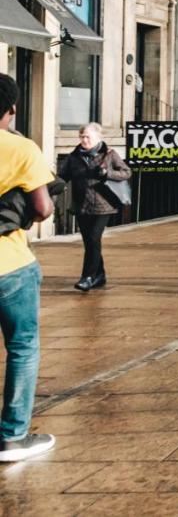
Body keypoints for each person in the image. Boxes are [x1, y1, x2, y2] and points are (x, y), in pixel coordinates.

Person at [0, 73, 56, 462]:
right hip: (10, 264)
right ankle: (13, 436)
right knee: (21, 346)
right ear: (12, 108)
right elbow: (42, 209)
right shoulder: (21, 149)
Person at [58, 123, 131, 292]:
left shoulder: (109, 154)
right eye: (82, 137)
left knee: (93, 239)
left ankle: (88, 277)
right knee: (90, 242)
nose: (84, 140)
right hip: (82, 206)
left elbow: (126, 172)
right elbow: (62, 177)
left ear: (98, 138)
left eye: (87, 137)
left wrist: (108, 174)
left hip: (103, 205)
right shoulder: (73, 157)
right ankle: (100, 274)